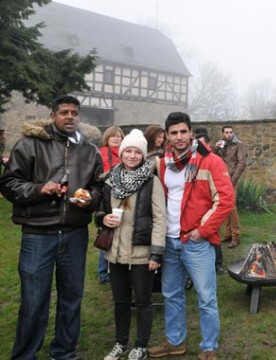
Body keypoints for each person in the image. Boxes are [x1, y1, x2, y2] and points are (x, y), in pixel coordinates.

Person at [0, 95, 104, 360]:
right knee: (34, 302)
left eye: (74, 113)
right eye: (64, 112)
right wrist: (38, 188)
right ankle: (25, 355)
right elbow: (9, 183)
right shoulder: (30, 145)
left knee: (72, 299)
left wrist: (91, 198)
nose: (70, 117)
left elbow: (99, 187)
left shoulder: (89, 150)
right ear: (52, 115)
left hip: (74, 234)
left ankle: (64, 352)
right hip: (38, 233)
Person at [149, 112, 234, 360]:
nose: (179, 137)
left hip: (195, 242)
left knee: (206, 297)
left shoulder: (210, 161)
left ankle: (209, 348)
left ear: (191, 132)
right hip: (170, 240)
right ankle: (175, 342)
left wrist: (202, 231)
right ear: (167, 136)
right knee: (171, 294)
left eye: (183, 131)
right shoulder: (163, 162)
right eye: (174, 133)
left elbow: (225, 200)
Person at [98, 129, 166, 360]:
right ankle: (120, 343)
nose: (133, 155)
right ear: (121, 152)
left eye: (138, 151)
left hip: (141, 252)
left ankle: (140, 345)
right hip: (115, 251)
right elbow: (100, 210)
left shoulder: (151, 181)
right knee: (120, 301)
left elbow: (159, 219)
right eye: (128, 150)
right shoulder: (109, 179)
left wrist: (156, 254)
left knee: (143, 301)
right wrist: (102, 219)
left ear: (143, 155)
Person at [194, 126, 224, 275]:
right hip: (197, 206)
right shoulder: (192, 160)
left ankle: (218, 263)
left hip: (211, 204)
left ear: (207, 143)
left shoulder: (213, 159)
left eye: (202, 143)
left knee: (213, 234)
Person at [98, 126, 125, 283]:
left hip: (123, 197)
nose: (116, 139)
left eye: (119, 136)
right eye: (112, 136)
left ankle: (116, 267)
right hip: (106, 196)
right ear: (107, 138)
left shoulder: (126, 152)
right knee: (106, 233)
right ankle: (103, 272)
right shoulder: (102, 153)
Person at [214, 125, 247, 248]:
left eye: (230, 132)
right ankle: (228, 234)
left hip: (231, 179)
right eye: (226, 132)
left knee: (232, 207)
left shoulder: (239, 144)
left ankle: (236, 236)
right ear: (222, 133)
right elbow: (212, 158)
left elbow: (242, 163)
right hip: (221, 178)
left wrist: (233, 180)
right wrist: (215, 148)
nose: (229, 134)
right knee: (226, 206)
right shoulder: (221, 144)